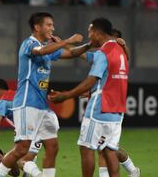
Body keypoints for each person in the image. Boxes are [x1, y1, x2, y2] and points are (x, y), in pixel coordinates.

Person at [0, 12, 83, 177]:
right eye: (48, 25)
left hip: (42, 107)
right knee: (22, 149)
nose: (52, 28)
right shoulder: (29, 44)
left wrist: (91, 45)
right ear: (37, 27)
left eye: (52, 25)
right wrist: (67, 40)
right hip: (27, 103)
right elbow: (40, 52)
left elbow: (72, 54)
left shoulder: (49, 48)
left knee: (52, 146)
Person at [49, 17, 129, 177]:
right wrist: (65, 44)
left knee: (86, 148)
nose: (89, 36)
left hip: (100, 108)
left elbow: (90, 81)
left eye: (90, 32)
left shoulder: (103, 53)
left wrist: (66, 96)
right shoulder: (120, 50)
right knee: (109, 151)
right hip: (117, 110)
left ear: (97, 33)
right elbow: (86, 56)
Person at [95, 28, 140, 177]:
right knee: (108, 148)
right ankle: (133, 170)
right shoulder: (103, 58)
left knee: (104, 148)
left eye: (114, 41)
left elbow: (127, 57)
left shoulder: (121, 60)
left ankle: (132, 171)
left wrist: (125, 45)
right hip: (103, 107)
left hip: (113, 109)